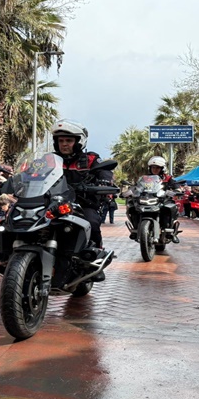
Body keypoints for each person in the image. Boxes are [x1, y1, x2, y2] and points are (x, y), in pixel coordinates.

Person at [51, 119, 113, 282]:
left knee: (91, 222)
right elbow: (34, 172)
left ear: (79, 142)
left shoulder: (91, 159)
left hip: (82, 203)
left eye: (69, 140)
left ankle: (95, 259)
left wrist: (104, 182)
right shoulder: (51, 159)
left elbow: (105, 171)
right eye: (61, 140)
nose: (64, 144)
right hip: (53, 203)